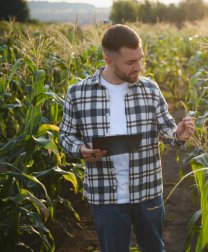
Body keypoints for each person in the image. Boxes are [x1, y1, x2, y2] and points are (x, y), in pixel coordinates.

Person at [59, 24, 194, 252]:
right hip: (105, 195)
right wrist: (81, 149)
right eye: (131, 63)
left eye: (140, 59)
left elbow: (168, 130)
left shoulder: (150, 90)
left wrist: (178, 135)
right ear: (109, 61)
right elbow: (66, 136)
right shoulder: (78, 94)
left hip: (148, 191)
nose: (138, 67)